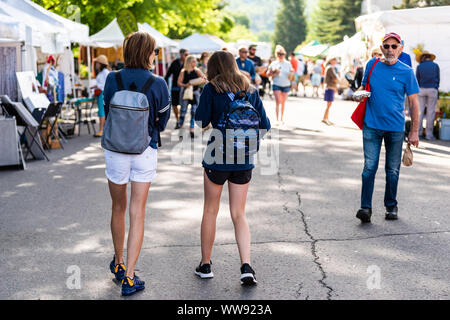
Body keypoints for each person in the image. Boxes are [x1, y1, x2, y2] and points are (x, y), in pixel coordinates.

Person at [194, 50, 271, 285]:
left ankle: (206, 264)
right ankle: (246, 266)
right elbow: (265, 125)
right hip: (243, 159)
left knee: (210, 211)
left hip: (217, 156)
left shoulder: (211, 89)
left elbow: (200, 121)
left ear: (213, 68)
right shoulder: (249, 89)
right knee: (239, 214)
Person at [102, 31, 171, 296]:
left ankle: (118, 263)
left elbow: (109, 110)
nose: (156, 56)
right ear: (147, 53)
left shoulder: (112, 78)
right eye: (154, 51)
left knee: (117, 207)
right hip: (144, 150)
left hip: (115, 151)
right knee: (137, 211)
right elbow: (162, 122)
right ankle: (130, 277)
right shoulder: (158, 83)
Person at [353, 32, 420, 223]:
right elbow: (363, 88)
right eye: (387, 46)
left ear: (400, 49)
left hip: (395, 128)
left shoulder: (406, 71)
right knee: (369, 168)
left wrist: (414, 131)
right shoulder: (371, 65)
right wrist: (358, 94)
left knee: (392, 170)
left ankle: (391, 206)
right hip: (371, 125)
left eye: (394, 46)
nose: (390, 49)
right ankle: (365, 208)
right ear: (381, 48)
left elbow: (414, 103)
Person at [178, 55, 207, 138]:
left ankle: (191, 130)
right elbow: (178, 82)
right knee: (183, 111)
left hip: (195, 93)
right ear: (189, 62)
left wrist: (196, 82)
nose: (195, 63)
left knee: (194, 112)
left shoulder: (197, 70)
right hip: (186, 93)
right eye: (194, 61)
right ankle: (181, 129)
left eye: (195, 61)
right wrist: (186, 85)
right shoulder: (183, 71)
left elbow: (204, 79)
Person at [416, 50, 440, 140]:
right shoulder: (435, 66)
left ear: (423, 57)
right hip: (432, 89)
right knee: (430, 112)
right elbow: (438, 79)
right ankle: (429, 135)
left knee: (420, 112)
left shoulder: (419, 66)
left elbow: (417, 80)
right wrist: (436, 88)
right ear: (430, 57)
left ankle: (419, 133)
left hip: (421, 89)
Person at [267, 45, 294, 125]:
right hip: (276, 84)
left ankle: (281, 118)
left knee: (283, 102)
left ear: (285, 54)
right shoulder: (273, 63)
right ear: (276, 54)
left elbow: (291, 76)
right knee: (278, 101)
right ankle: (277, 119)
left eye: (282, 54)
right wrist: (274, 72)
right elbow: (268, 74)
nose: (281, 55)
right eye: (279, 54)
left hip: (286, 84)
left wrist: (292, 73)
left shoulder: (288, 64)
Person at [165, 48, 189, 129]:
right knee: (174, 105)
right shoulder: (174, 63)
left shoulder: (187, 64)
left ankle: (181, 123)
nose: (187, 56)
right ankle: (178, 120)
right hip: (175, 87)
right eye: (186, 54)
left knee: (183, 105)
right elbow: (168, 75)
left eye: (187, 55)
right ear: (181, 54)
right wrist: (165, 86)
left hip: (184, 88)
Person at [92, 55, 110, 137]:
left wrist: (96, 86)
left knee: (101, 112)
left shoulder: (104, 73)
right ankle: (103, 130)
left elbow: (103, 85)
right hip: (102, 93)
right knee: (103, 111)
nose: (96, 65)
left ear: (100, 64)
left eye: (97, 63)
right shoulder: (105, 72)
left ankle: (101, 130)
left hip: (101, 93)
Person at [322, 56, 339, 125]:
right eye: (334, 60)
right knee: (329, 105)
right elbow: (334, 78)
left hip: (331, 87)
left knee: (329, 104)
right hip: (330, 87)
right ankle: (325, 118)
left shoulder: (331, 68)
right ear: (331, 61)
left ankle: (326, 118)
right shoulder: (330, 68)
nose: (335, 61)